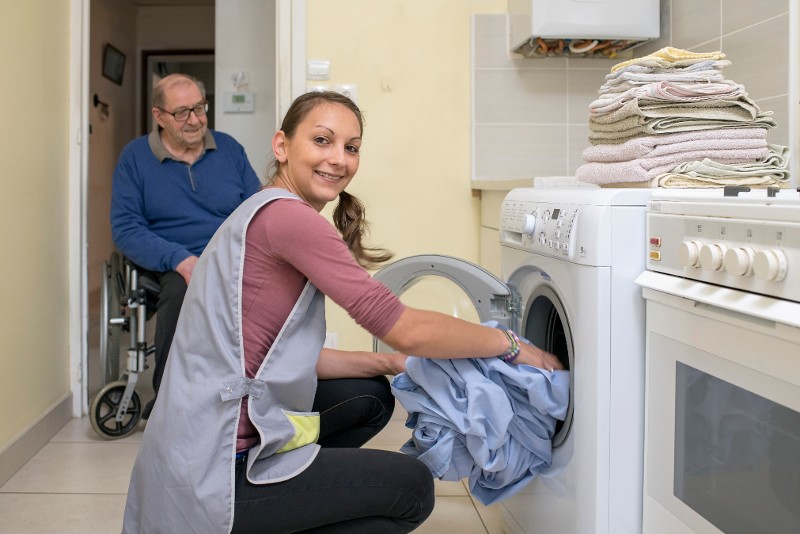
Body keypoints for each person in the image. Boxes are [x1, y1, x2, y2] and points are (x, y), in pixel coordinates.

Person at [122, 91, 564, 534]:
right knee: (410, 488)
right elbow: (402, 326)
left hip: (190, 446)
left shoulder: (257, 209)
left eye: (351, 148)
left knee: (369, 394)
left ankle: (288, 507)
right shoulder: (289, 220)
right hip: (214, 472)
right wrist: (509, 345)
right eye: (322, 140)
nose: (338, 159)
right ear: (282, 146)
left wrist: (389, 363)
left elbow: (274, 358)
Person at [110, 73, 262, 419]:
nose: (194, 120)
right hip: (171, 261)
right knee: (182, 291)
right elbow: (126, 228)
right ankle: (170, 406)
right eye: (181, 112)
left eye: (199, 108)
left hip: (229, 255)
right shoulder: (135, 158)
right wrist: (179, 259)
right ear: (159, 116)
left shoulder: (229, 149)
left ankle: (251, 398)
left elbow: (255, 208)